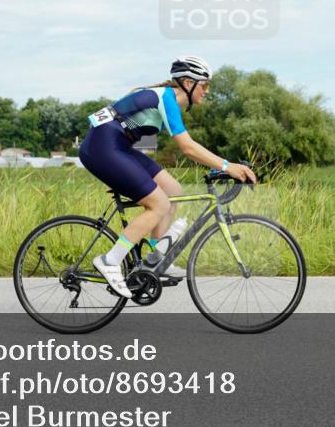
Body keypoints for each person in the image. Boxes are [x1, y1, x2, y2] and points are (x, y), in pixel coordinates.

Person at [79, 55, 258, 298]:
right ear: (187, 82)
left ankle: (154, 259)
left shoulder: (165, 98)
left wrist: (219, 167)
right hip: (102, 147)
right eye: (204, 85)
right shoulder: (167, 97)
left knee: (173, 191)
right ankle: (110, 260)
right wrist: (227, 166)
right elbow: (188, 147)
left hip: (116, 146)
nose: (207, 91)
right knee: (159, 204)